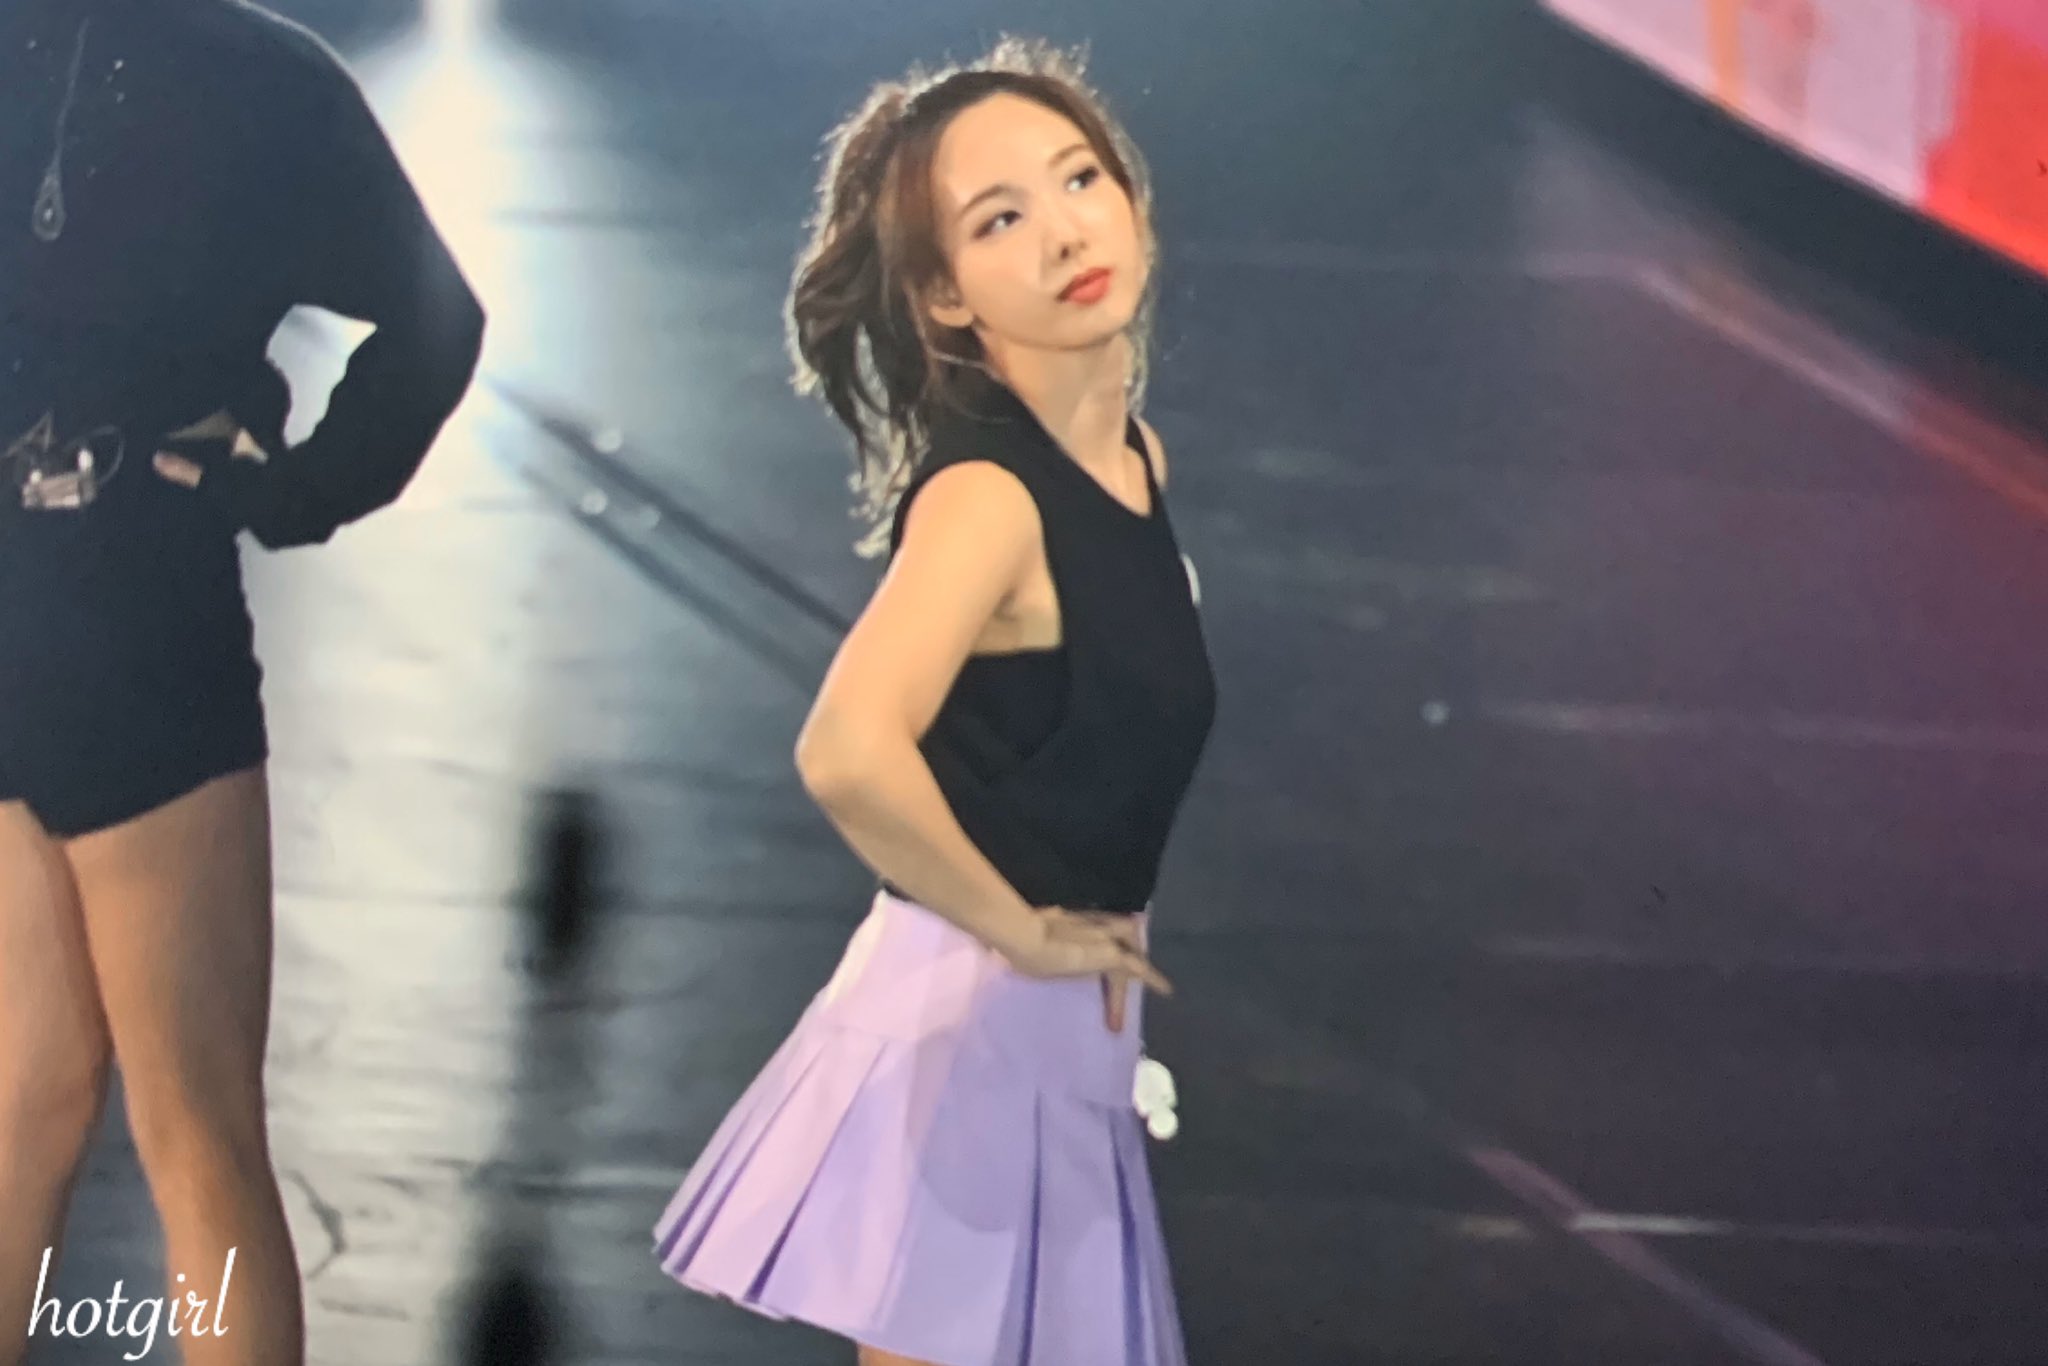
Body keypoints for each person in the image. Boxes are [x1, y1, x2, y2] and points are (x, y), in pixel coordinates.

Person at [652, 36, 1215, 1366]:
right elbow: (848, 747)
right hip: (966, 1044)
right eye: (999, 219)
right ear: (946, 295)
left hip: (1051, 1046)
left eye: (1079, 178)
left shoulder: (1133, 459)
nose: (1063, 231)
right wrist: (1020, 930)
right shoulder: (987, 499)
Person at [0, 1, 484, 1362]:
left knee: (26, 1095)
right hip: (134, 604)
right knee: (197, 1122)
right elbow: (436, 319)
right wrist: (298, 488)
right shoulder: (260, 75)